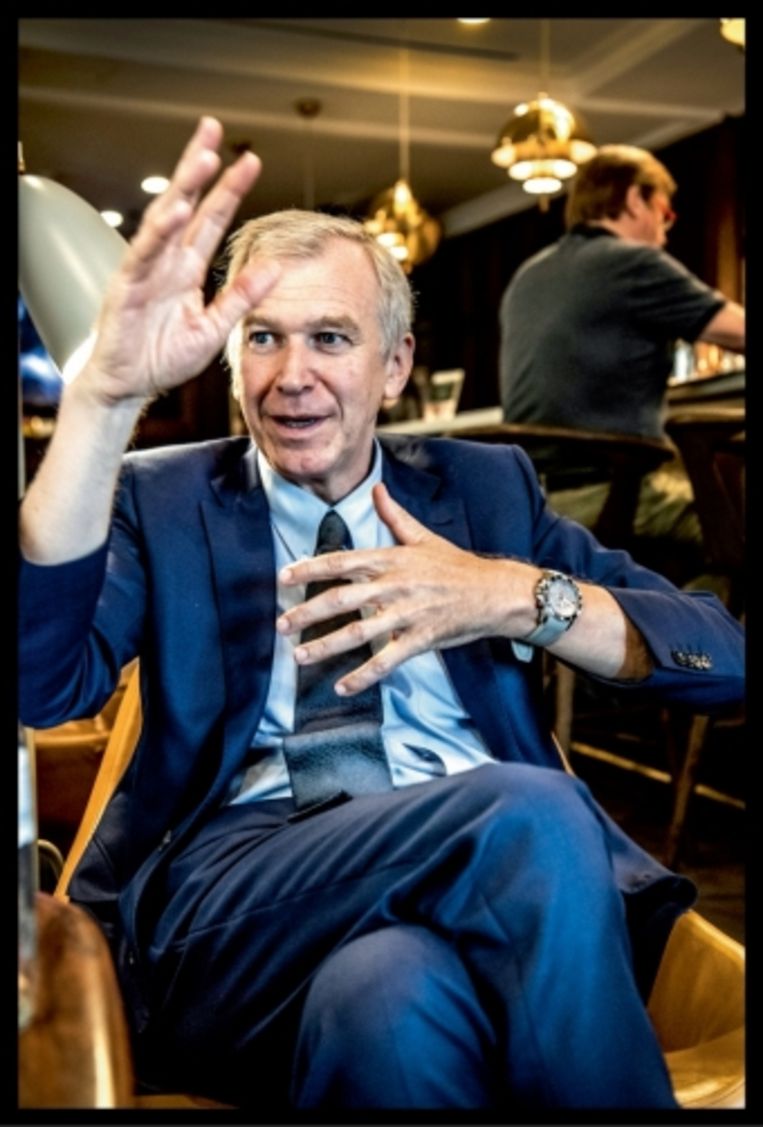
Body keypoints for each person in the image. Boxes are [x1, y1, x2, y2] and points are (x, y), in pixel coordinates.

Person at [19, 117, 744, 1112]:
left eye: (330, 337)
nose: (292, 374)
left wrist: (509, 594)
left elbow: (721, 655)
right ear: (230, 360)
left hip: (453, 900)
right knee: (533, 812)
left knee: (388, 1002)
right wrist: (101, 404)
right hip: (236, 897)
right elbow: (39, 681)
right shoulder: (163, 496)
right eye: (262, 338)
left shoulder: (485, 491)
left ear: (395, 365)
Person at [498, 143, 745, 584]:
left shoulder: (528, 274)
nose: (665, 233)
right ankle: (671, 625)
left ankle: (647, 614)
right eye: (665, 214)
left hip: (531, 500)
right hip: (612, 492)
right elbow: (738, 331)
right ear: (635, 199)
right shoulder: (633, 262)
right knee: (735, 535)